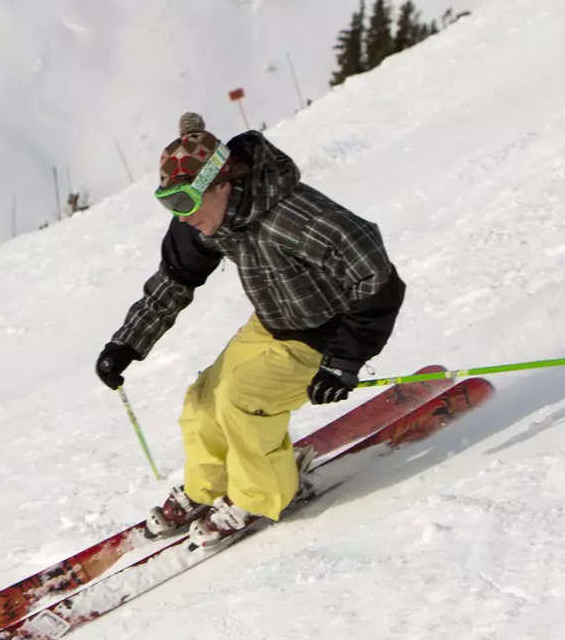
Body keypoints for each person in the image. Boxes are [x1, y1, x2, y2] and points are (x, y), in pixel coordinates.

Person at [93, 112, 404, 547]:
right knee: (203, 401)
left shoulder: (295, 215)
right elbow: (175, 279)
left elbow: (376, 276)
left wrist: (345, 360)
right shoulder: (207, 219)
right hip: (274, 321)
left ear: (221, 184)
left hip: (326, 334)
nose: (180, 216)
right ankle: (208, 489)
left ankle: (260, 494)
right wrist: (127, 342)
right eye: (168, 203)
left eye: (183, 201)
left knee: (244, 401)